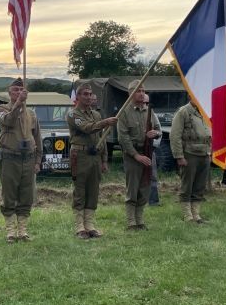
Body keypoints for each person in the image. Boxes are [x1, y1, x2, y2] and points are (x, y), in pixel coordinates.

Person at [67, 83, 117, 239]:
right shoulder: (73, 114)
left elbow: (102, 137)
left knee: (93, 190)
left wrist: (104, 160)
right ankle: (79, 226)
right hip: (80, 155)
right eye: (85, 94)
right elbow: (87, 128)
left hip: (95, 155)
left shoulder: (96, 114)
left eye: (90, 94)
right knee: (80, 190)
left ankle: (90, 225)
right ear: (78, 96)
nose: (89, 97)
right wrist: (106, 122)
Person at [0, 78, 41, 243]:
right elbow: (8, 120)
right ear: (9, 93)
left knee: (26, 195)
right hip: (10, 158)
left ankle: (22, 230)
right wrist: (18, 104)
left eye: (21, 89)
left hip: (28, 158)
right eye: (15, 90)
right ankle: (10, 231)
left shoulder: (31, 114)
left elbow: (37, 137)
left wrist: (38, 160)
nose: (19, 92)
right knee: (9, 194)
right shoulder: (3, 109)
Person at [116, 82, 160, 230]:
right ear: (130, 93)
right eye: (138, 91)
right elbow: (123, 138)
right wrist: (136, 156)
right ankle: (131, 222)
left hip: (148, 152)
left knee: (145, 188)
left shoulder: (149, 111)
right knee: (132, 189)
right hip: (132, 155)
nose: (141, 93)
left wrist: (155, 133)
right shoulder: (124, 112)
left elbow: (158, 129)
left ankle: (140, 220)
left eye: (143, 90)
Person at [170, 100, 212, 223]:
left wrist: (210, 151)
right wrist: (179, 156)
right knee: (187, 186)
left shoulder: (205, 111)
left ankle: (196, 214)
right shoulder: (183, 112)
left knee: (200, 186)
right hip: (189, 153)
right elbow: (175, 135)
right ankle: (187, 215)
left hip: (204, 153)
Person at [143, 94, 162, 207]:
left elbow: (159, 131)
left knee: (152, 176)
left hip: (150, 150)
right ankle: (137, 201)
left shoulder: (152, 114)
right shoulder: (129, 113)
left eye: (147, 103)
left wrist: (154, 141)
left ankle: (153, 201)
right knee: (136, 177)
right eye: (144, 103)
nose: (145, 105)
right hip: (136, 150)